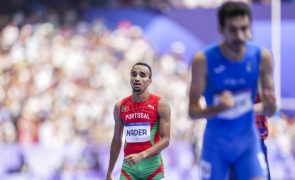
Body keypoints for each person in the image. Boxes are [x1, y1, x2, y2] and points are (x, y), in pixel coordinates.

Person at [188, 1, 277, 180]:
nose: (240, 36)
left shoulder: (262, 57)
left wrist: (270, 105)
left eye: (244, 28)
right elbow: (193, 112)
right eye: (233, 30)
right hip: (216, 146)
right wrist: (219, 108)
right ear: (221, 29)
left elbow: (271, 109)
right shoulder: (203, 61)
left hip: (248, 143)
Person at [106, 62, 171, 180]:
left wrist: (142, 155)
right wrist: (109, 172)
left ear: (149, 81)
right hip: (129, 169)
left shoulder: (160, 104)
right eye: (134, 74)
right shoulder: (120, 106)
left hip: (152, 168)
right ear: (130, 79)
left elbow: (166, 140)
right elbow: (116, 140)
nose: (137, 78)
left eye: (142, 75)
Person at [230, 94, 272, 180]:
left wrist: (240, 109)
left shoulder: (258, 81)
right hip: (226, 142)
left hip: (255, 142)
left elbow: (271, 105)